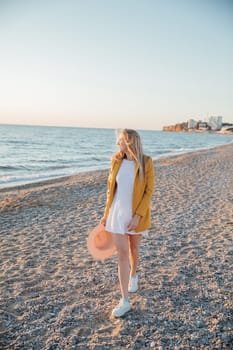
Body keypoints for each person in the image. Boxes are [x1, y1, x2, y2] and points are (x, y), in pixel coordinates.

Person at [100, 128, 155, 317]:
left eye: (121, 140)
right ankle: (124, 300)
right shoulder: (116, 161)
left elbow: (148, 192)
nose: (118, 144)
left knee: (133, 249)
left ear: (130, 142)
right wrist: (106, 214)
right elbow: (110, 190)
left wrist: (138, 216)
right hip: (117, 213)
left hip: (136, 215)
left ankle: (134, 274)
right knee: (122, 254)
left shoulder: (146, 162)